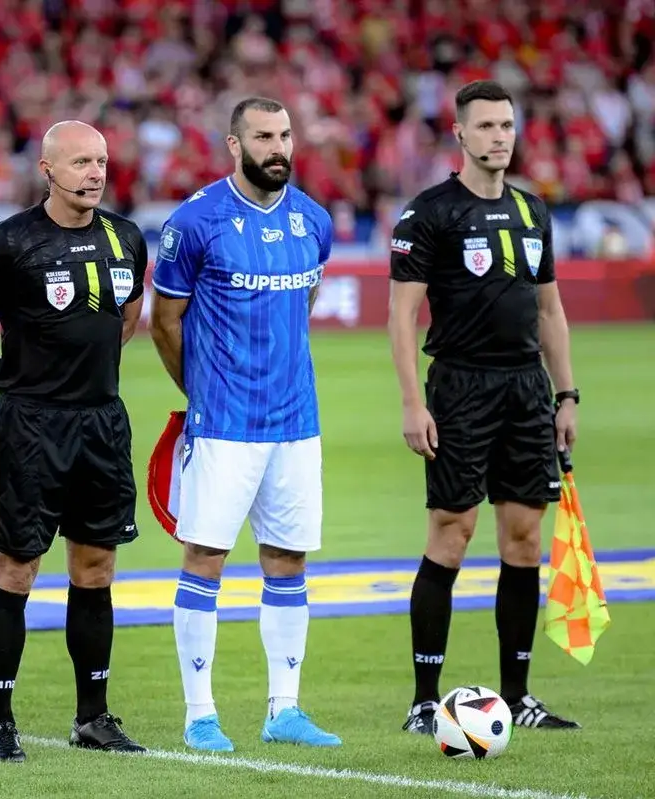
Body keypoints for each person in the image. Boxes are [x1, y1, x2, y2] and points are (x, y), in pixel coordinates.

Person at [0, 120, 148, 762]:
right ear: (48, 168)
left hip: (102, 424)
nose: (94, 173)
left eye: (102, 162)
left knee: (96, 569)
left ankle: (93, 717)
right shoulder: (9, 243)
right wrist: (9, 383)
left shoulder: (126, 237)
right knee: (18, 569)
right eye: (82, 162)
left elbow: (129, 311)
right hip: (32, 427)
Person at [388, 79, 581, 734]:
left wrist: (566, 394)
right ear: (460, 136)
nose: (500, 136)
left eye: (507, 125)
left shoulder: (533, 213)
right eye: (487, 126)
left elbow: (551, 309)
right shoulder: (429, 214)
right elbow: (402, 315)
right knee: (453, 529)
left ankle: (518, 694)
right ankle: (422, 697)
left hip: (526, 390)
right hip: (461, 387)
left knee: (524, 538)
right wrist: (413, 402)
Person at [149, 97, 341, 752]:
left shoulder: (314, 221)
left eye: (285, 134)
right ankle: (199, 713)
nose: (278, 147)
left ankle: (283, 708)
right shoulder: (195, 222)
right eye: (263, 136)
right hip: (225, 421)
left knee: (288, 558)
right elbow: (164, 321)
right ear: (234, 145)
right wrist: (199, 390)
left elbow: (304, 303)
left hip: (296, 421)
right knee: (206, 555)